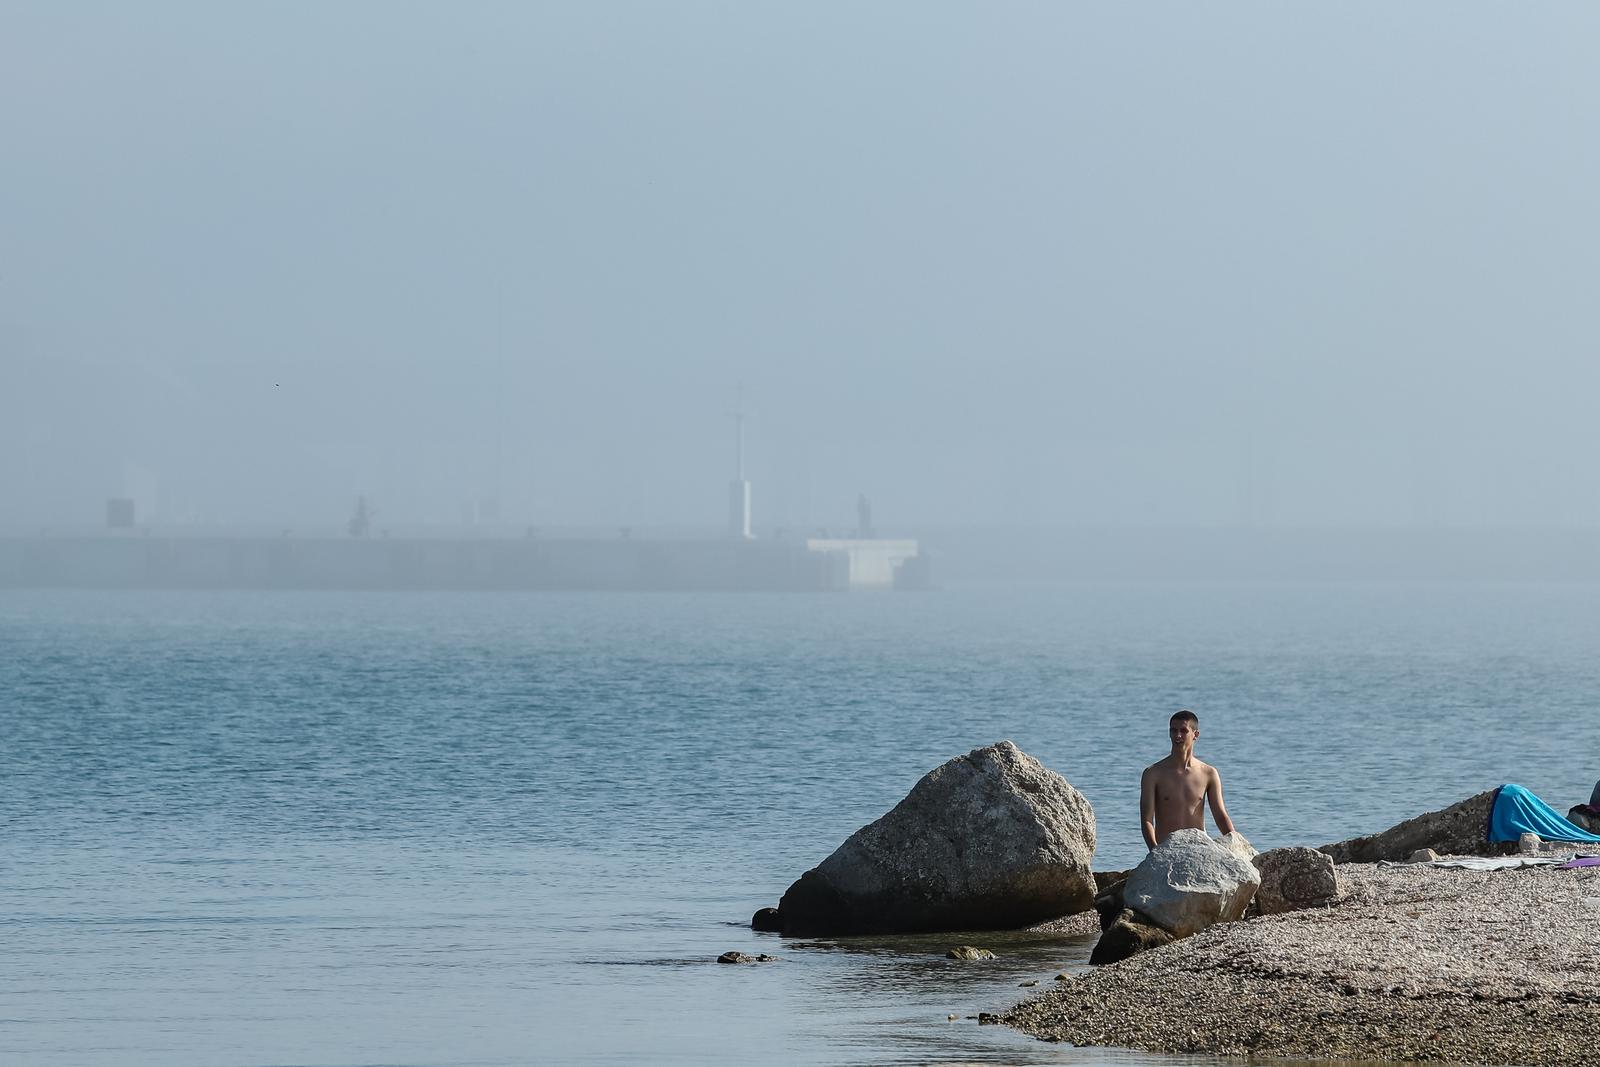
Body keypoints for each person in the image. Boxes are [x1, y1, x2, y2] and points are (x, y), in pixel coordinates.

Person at [1140, 709, 1236, 850]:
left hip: (1199, 849)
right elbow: (1147, 820)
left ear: (1195, 735)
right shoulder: (1153, 773)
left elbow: (1221, 817)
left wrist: (1235, 843)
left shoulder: (1208, 773)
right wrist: (1154, 851)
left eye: (1184, 731)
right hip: (1166, 849)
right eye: (1173, 730)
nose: (1178, 735)